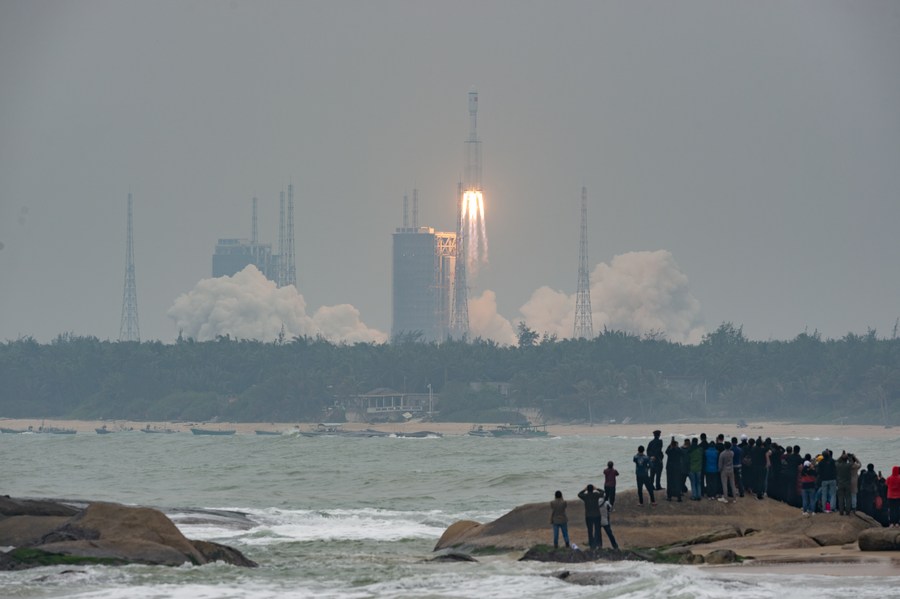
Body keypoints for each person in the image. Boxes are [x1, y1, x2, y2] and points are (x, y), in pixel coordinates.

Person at [577, 484, 602, 549]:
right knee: (597, 530)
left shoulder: (585, 496)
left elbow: (579, 494)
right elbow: (603, 492)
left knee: (590, 530)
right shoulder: (596, 495)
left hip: (588, 515)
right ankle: (597, 543)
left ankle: (592, 544)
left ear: (587, 490)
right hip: (597, 515)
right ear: (593, 489)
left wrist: (584, 489)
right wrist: (597, 488)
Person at [665, 437, 683, 501]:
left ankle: (669, 496)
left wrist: (670, 444)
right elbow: (681, 453)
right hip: (677, 468)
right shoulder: (678, 450)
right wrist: (676, 446)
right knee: (677, 482)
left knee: (669, 482)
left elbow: (666, 451)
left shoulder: (670, 450)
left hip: (670, 468)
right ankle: (679, 497)